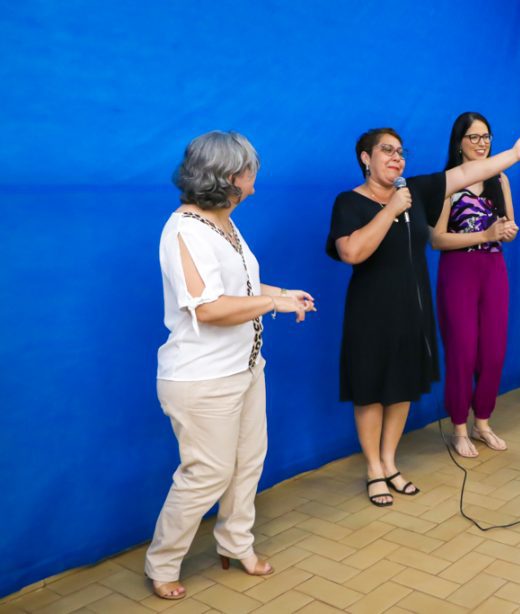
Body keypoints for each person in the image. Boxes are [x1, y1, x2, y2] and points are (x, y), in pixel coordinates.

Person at [326, 126, 520, 506]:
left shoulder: (415, 191)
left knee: (401, 390)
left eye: (400, 151)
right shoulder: (350, 202)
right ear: (365, 158)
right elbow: (352, 253)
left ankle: (390, 463)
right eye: (387, 151)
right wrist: (392, 209)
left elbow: (464, 174)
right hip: (370, 313)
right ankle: (373, 470)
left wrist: (514, 156)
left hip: (412, 311)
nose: (397, 157)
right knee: (371, 392)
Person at [146, 131, 316, 600]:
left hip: (245, 368)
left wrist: (282, 294)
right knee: (207, 474)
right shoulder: (184, 229)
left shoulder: (225, 223)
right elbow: (209, 308)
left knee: (247, 464)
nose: (255, 186)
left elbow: (244, 286)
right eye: (250, 176)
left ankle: (234, 543)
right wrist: (272, 306)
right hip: (201, 378)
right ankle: (162, 562)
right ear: (226, 178)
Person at [431, 112, 518, 458]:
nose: (482, 144)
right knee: (462, 350)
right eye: (474, 137)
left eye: (487, 137)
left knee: (494, 350)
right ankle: (459, 428)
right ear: (459, 143)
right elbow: (436, 240)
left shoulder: (500, 179)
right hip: (459, 270)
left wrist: (508, 232)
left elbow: (509, 226)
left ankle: (483, 422)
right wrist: (483, 234)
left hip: (493, 268)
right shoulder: (448, 182)